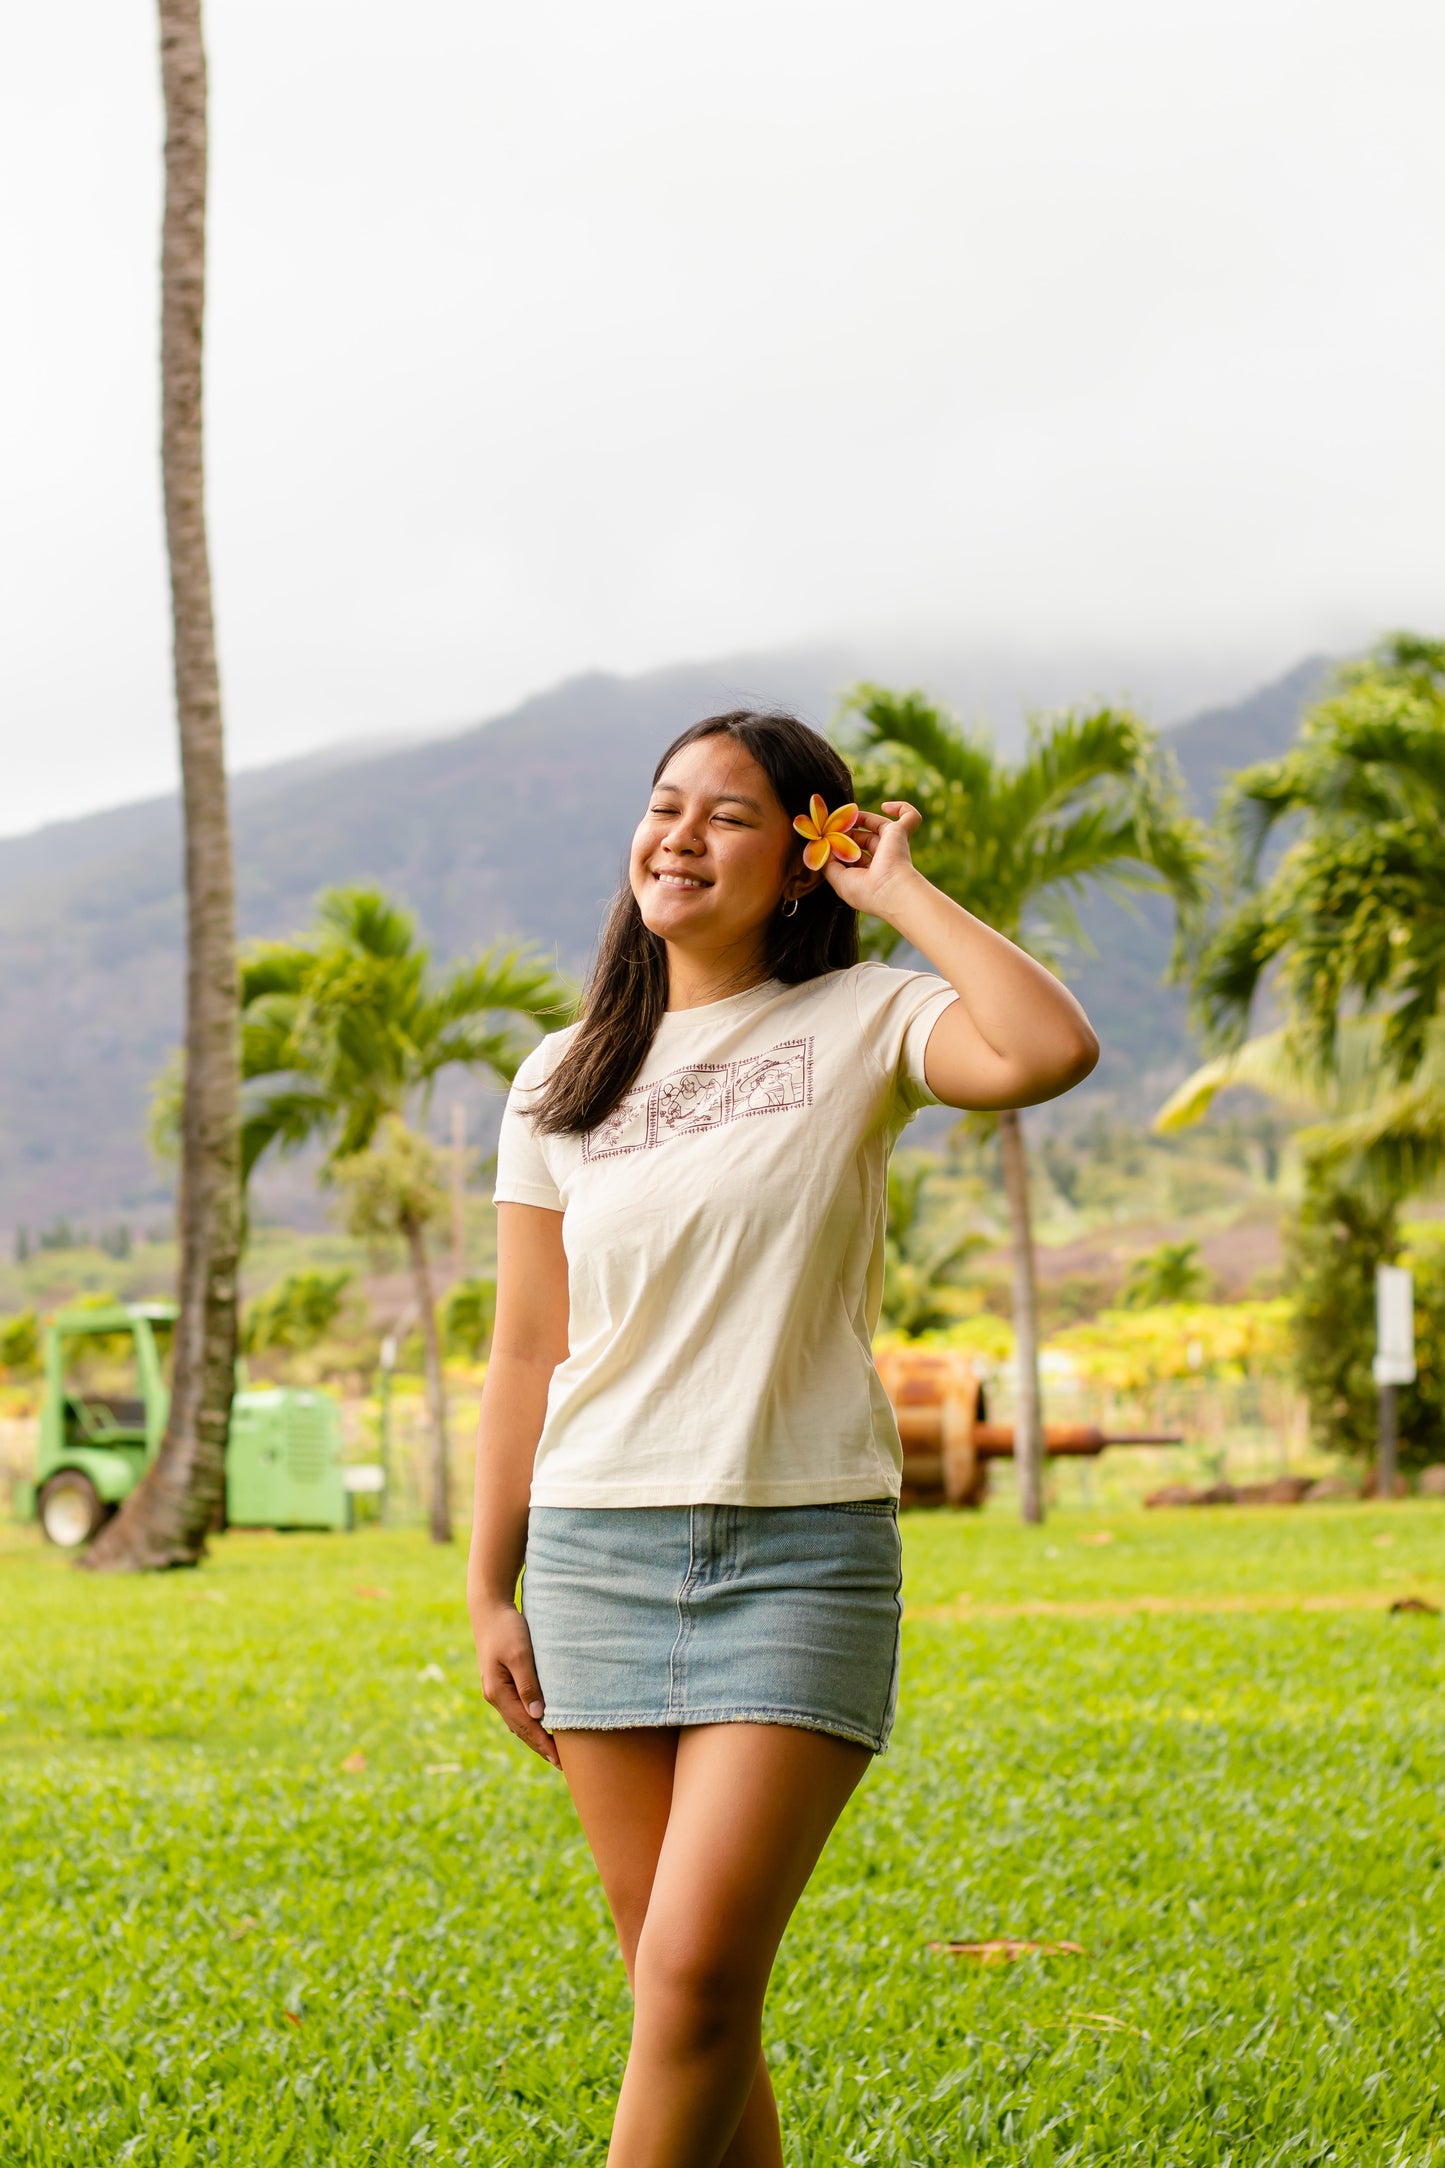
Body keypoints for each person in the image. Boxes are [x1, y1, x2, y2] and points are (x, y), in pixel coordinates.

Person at [467, 709, 1098, 2168]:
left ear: (805, 857)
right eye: (663, 805)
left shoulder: (868, 1017)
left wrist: (899, 894)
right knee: (681, 1995)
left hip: (795, 1550)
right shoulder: (560, 1076)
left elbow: (1046, 1047)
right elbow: (524, 1349)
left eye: (729, 816)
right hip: (594, 1551)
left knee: (690, 1981)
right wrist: (490, 1585)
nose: (677, 837)